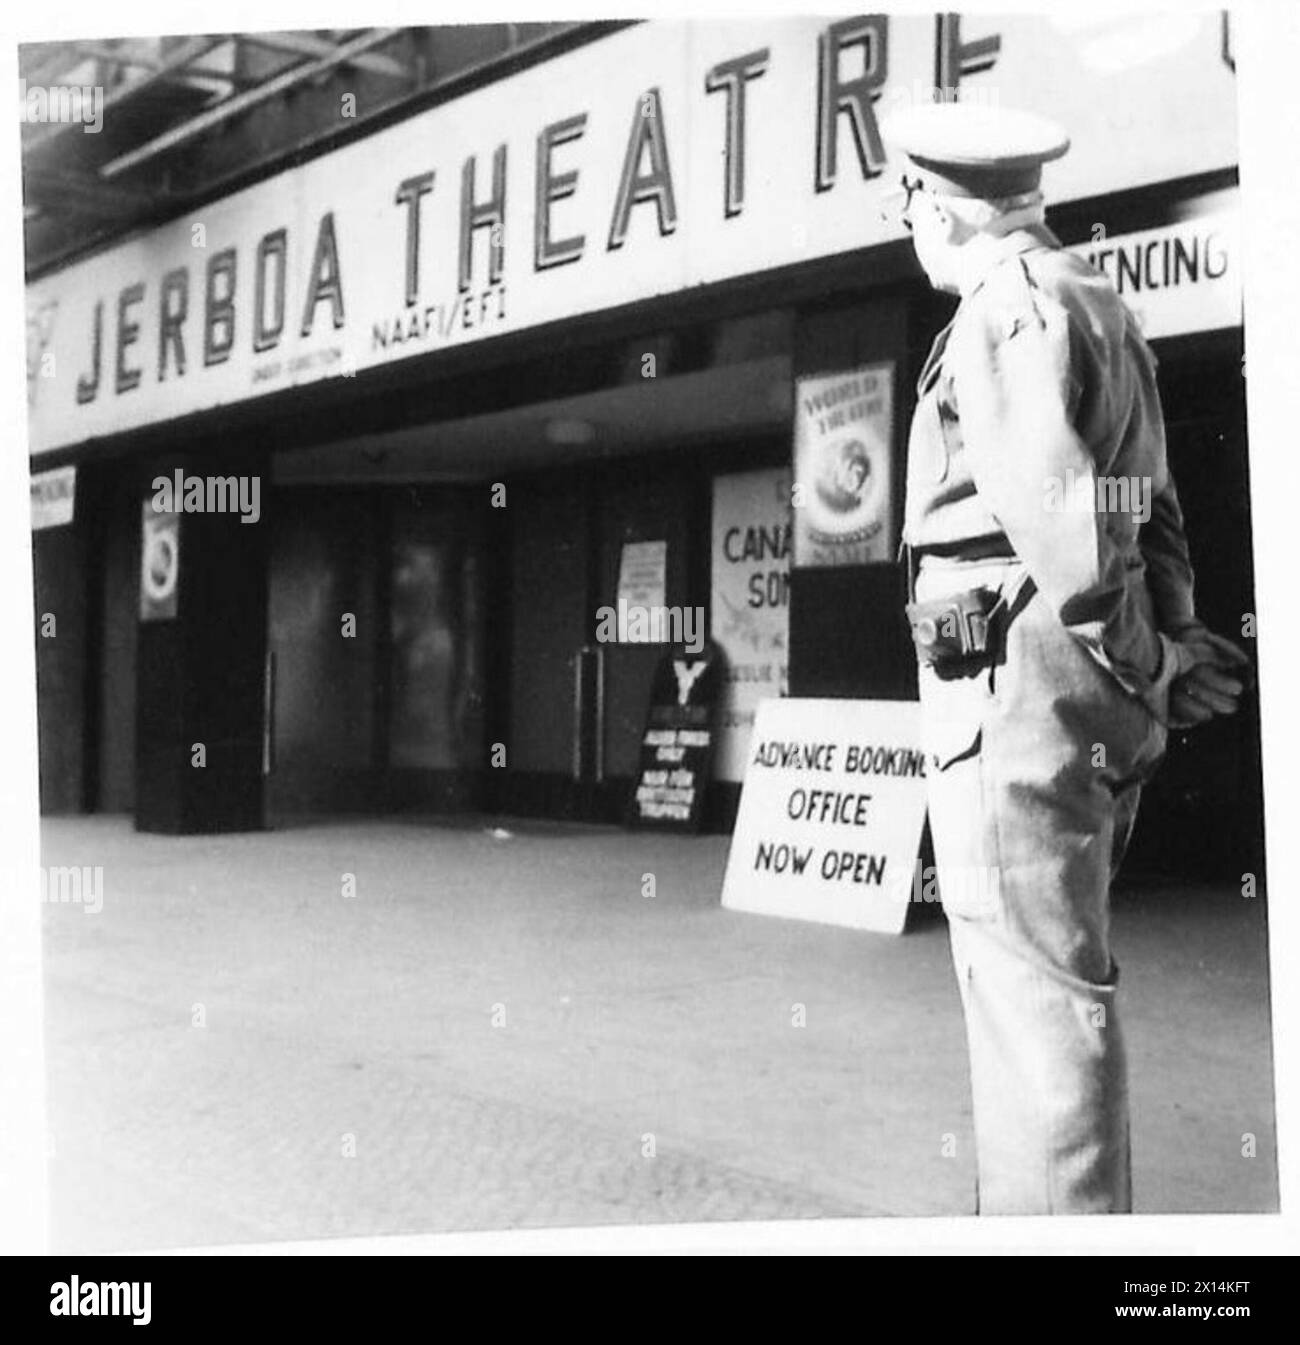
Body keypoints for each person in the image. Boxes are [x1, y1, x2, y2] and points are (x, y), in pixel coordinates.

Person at [878, 102, 1251, 1214]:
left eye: (903, 203)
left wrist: (1148, 657)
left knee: (1033, 1009)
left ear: (936, 207)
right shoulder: (1097, 303)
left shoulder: (1004, 310)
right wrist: (1170, 646)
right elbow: (1151, 507)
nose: (902, 223)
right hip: (1074, 697)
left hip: (1012, 698)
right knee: (1054, 991)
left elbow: (1070, 535)